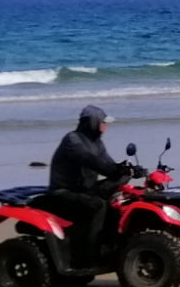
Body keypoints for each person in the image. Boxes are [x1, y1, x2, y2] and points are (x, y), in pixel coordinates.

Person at [45, 105, 132, 246]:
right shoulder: (72, 140)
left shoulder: (97, 144)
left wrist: (128, 168)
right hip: (63, 193)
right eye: (102, 123)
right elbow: (87, 159)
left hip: (85, 190)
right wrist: (114, 171)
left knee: (119, 200)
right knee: (98, 205)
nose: (105, 127)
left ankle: (111, 243)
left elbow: (108, 164)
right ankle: (89, 252)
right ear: (92, 123)